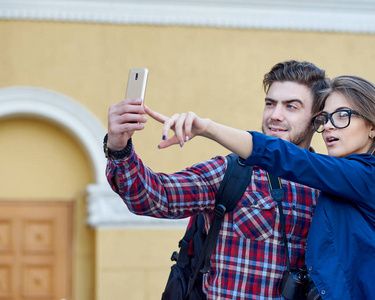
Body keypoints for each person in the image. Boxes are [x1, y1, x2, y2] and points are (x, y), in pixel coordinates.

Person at [153, 75, 375, 299]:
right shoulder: (344, 182)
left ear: (374, 127)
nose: (327, 127)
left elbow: (293, 160)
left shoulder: (374, 178)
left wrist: (208, 128)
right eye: (324, 119)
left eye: (342, 116)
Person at [104, 60, 330, 298]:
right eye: (270, 104)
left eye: (291, 107)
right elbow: (154, 197)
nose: (275, 115)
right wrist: (119, 147)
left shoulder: (330, 185)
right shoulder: (231, 173)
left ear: (318, 119)